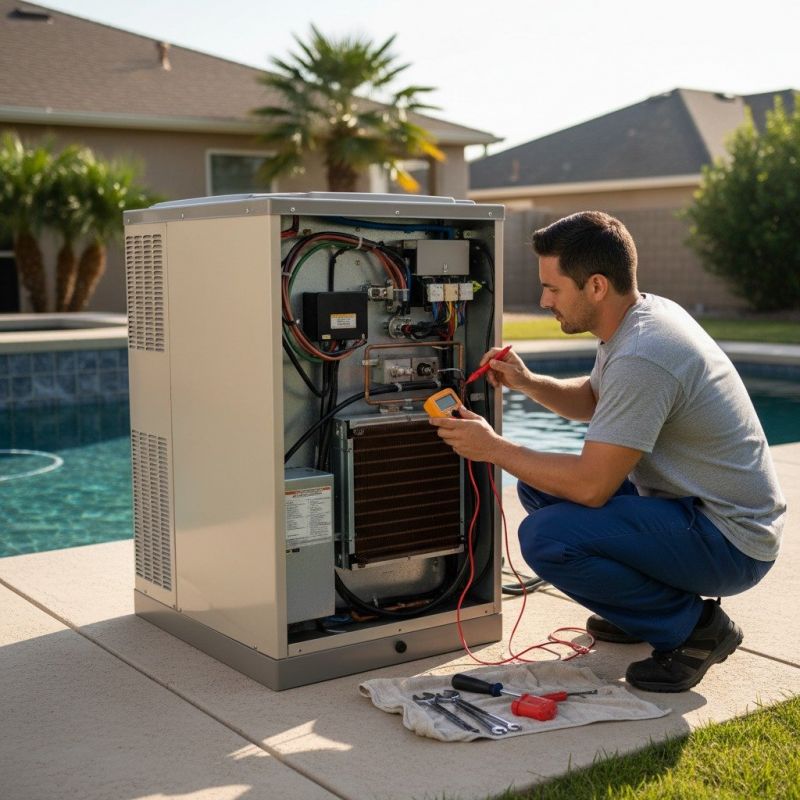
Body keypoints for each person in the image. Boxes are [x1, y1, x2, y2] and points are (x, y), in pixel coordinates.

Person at [430, 211, 786, 693]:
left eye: (553, 289)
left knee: (546, 537)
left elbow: (591, 488)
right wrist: (529, 383)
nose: (543, 300)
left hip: (730, 539)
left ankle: (695, 630)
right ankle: (643, 610)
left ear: (596, 286)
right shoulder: (637, 319)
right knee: (541, 487)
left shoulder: (644, 352)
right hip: (693, 511)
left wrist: (493, 449)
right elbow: (598, 399)